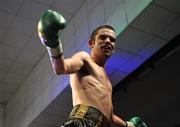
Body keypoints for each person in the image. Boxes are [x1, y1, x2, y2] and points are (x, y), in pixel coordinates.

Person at [37, 9, 148, 127]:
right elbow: (61, 68)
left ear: (114, 48)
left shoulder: (107, 82)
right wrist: (52, 44)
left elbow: (110, 116)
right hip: (83, 121)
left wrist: (130, 125)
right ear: (91, 43)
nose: (108, 41)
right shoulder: (84, 58)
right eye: (103, 38)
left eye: (112, 40)